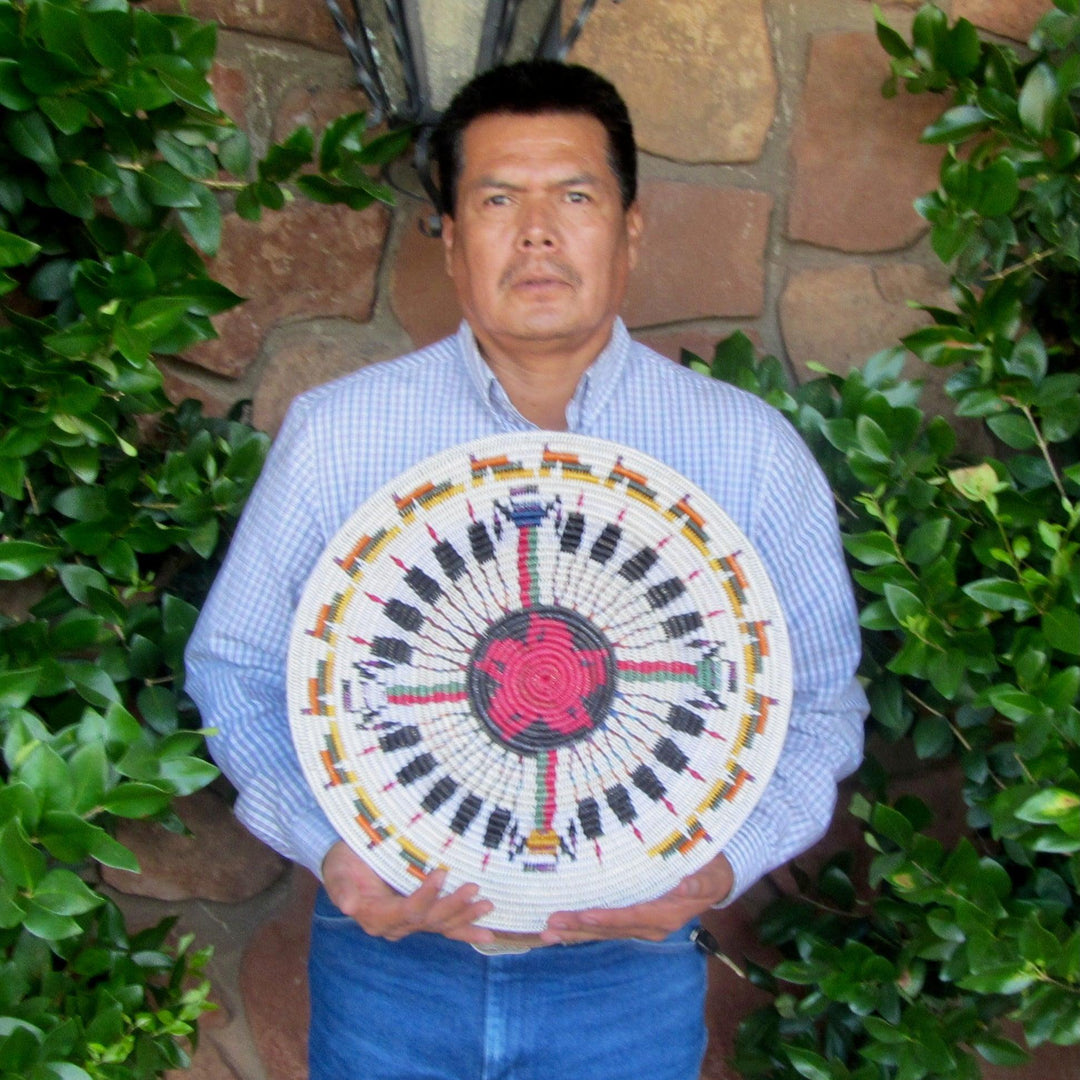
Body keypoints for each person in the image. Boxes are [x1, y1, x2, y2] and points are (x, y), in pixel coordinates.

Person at [185, 59, 867, 1080]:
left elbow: (818, 704)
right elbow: (233, 666)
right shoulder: (340, 435)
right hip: (390, 965)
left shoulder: (747, 451)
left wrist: (720, 867)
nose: (538, 231)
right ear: (453, 239)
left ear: (630, 227)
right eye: (499, 199)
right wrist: (332, 848)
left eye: (576, 196)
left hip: (626, 976)